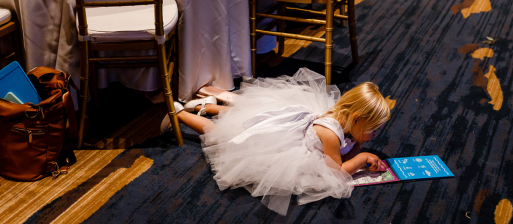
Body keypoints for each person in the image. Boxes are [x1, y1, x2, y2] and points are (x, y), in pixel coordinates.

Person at [161, 68, 391, 215]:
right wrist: (361, 157)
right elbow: (337, 172)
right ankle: (179, 113)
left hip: (293, 129)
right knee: (223, 134)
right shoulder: (330, 134)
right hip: (280, 146)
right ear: (356, 119)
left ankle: (209, 105)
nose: (376, 135)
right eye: (374, 130)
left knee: (245, 118)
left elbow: (349, 145)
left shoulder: (344, 119)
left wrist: (358, 146)